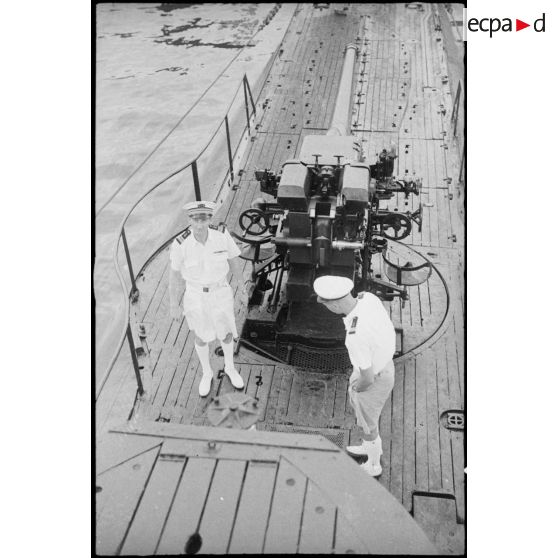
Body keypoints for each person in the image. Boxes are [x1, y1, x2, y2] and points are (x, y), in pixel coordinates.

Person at [313, 275, 396, 477]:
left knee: (369, 424)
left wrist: (356, 388)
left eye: (326, 304)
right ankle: (369, 446)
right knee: (368, 420)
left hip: (374, 377)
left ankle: (374, 465)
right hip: (384, 363)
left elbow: (367, 379)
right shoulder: (367, 298)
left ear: (335, 304)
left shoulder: (355, 336)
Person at [169, 200, 251, 397]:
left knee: (226, 332)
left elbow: (234, 262)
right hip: (195, 295)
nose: (199, 224)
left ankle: (230, 368)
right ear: (189, 220)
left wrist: (241, 288)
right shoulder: (181, 244)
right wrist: (173, 304)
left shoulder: (221, 235)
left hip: (220, 291)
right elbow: (173, 275)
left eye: (203, 219)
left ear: (210, 219)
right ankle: (207, 372)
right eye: (195, 219)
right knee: (200, 335)